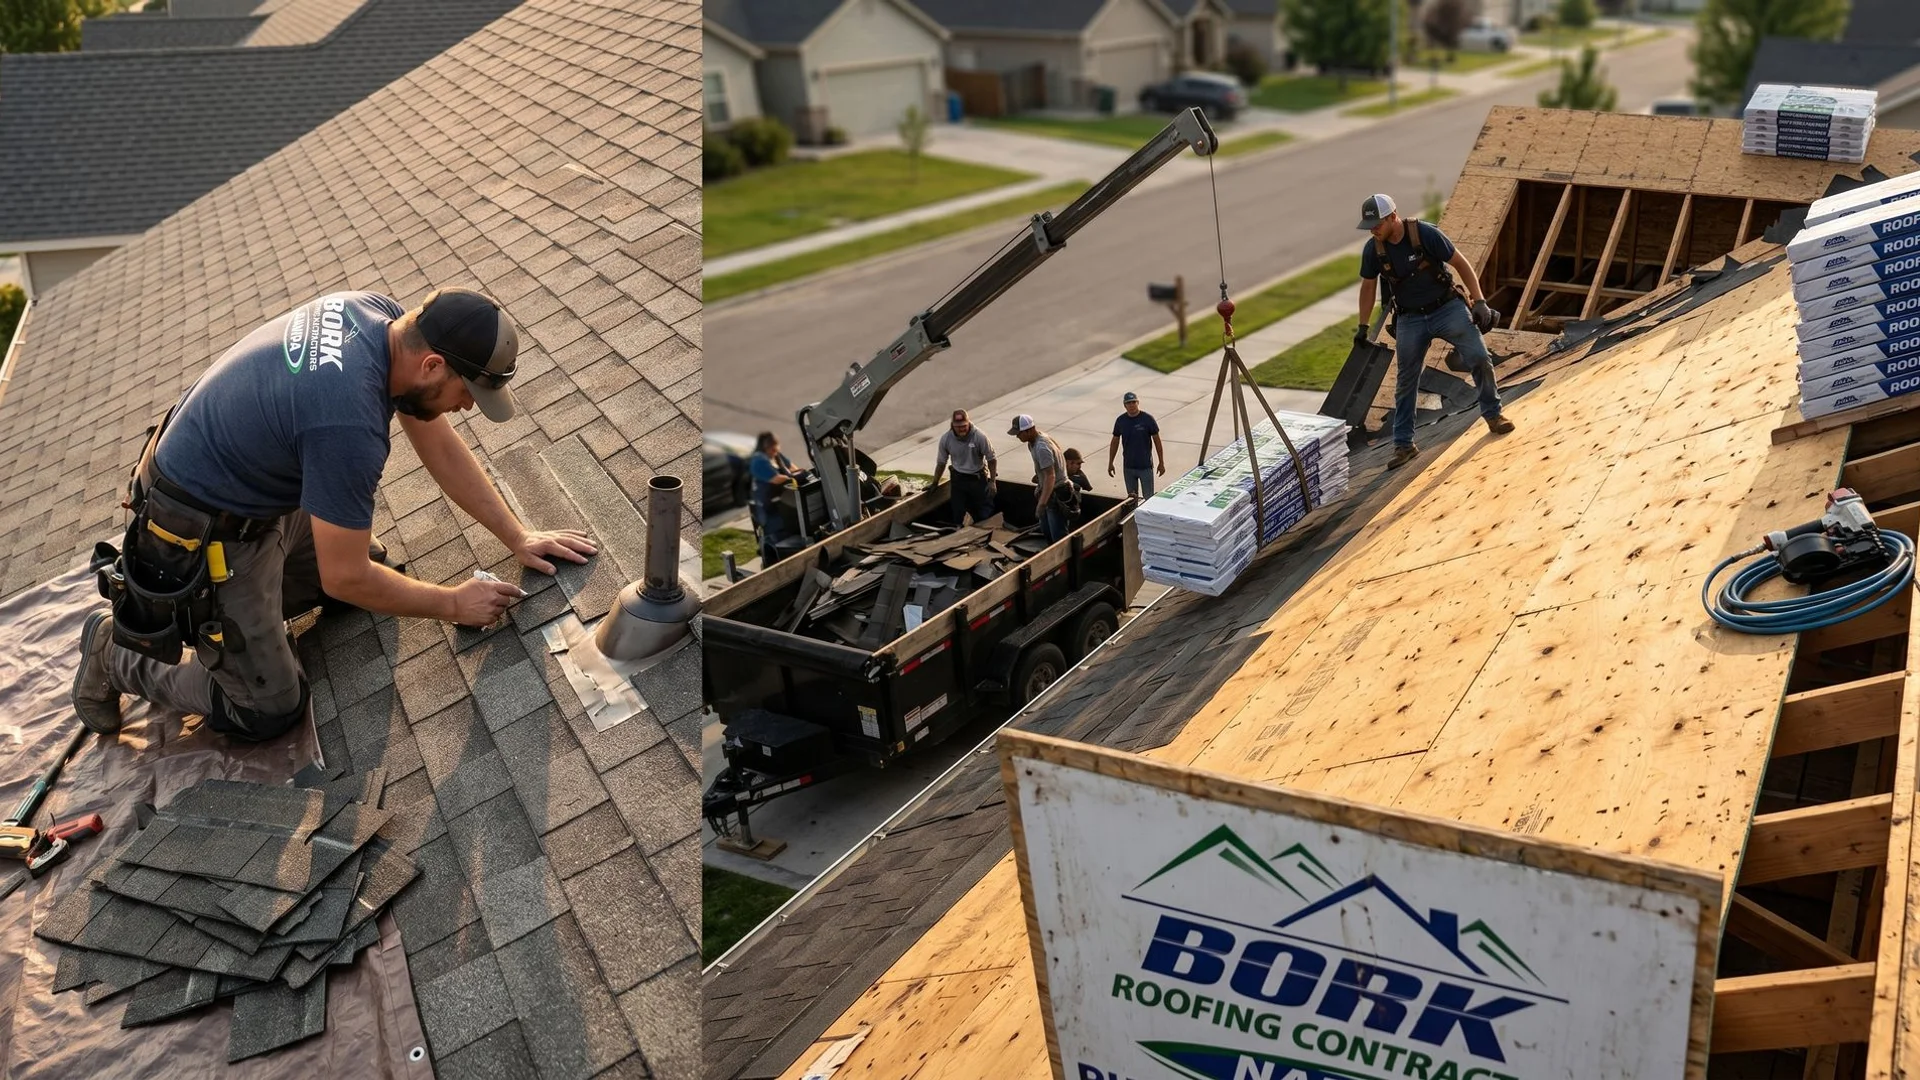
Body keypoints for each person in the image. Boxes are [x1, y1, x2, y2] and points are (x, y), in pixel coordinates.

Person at [71, 288, 597, 742]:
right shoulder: (347, 421)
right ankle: (113, 655)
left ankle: (248, 622)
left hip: (252, 493)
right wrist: (453, 604)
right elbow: (345, 577)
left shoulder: (380, 317)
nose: (465, 407)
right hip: (197, 533)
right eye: (467, 392)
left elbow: (435, 440)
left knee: (369, 569)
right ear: (433, 364)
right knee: (269, 709)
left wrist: (518, 536)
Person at [1354, 193, 1514, 470]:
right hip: (1410, 319)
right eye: (1369, 226)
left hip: (1446, 308)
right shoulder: (1373, 250)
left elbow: (1460, 264)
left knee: (1478, 358)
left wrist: (1479, 302)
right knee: (1406, 380)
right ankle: (1404, 445)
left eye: (1377, 224)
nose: (1373, 230)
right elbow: (1368, 287)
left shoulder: (1425, 234)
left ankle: (1493, 415)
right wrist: (1363, 326)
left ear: (1393, 217)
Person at [1009, 414, 1072, 543]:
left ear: (1029, 430)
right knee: (1046, 530)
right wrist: (1040, 484)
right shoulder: (1033, 442)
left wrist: (1041, 503)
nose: (1017, 436)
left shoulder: (1042, 447)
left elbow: (1051, 476)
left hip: (1056, 493)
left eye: (1019, 433)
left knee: (1058, 537)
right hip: (1048, 491)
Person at [930, 409, 998, 524]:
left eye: (964, 426)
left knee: (983, 513)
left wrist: (992, 481)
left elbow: (991, 459)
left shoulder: (979, 437)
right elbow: (941, 463)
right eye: (958, 426)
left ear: (968, 423)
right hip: (958, 480)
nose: (962, 429)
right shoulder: (946, 439)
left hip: (978, 478)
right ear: (952, 426)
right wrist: (935, 482)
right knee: (958, 513)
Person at [750, 432, 805, 565]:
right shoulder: (759, 461)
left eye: (777, 447)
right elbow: (776, 479)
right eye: (773, 448)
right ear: (765, 447)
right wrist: (793, 478)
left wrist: (799, 474)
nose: (776, 451)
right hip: (769, 508)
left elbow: (794, 468)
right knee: (778, 536)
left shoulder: (776, 456)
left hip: (784, 502)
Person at [1107, 391, 1165, 498]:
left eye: (1134, 402)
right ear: (1124, 405)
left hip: (1145, 467)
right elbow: (1115, 442)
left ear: (1138, 403)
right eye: (1129, 403)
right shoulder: (1121, 421)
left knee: (1148, 497)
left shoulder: (1147, 419)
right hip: (1128, 467)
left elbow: (1157, 441)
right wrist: (1111, 462)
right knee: (1131, 499)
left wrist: (1161, 462)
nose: (1132, 405)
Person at [1062, 448, 1092, 525]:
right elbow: (1035, 479)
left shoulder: (1079, 476)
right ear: (1068, 463)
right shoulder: (1057, 473)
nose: (1080, 467)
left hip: (1072, 510)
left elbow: (1088, 487)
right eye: (1078, 464)